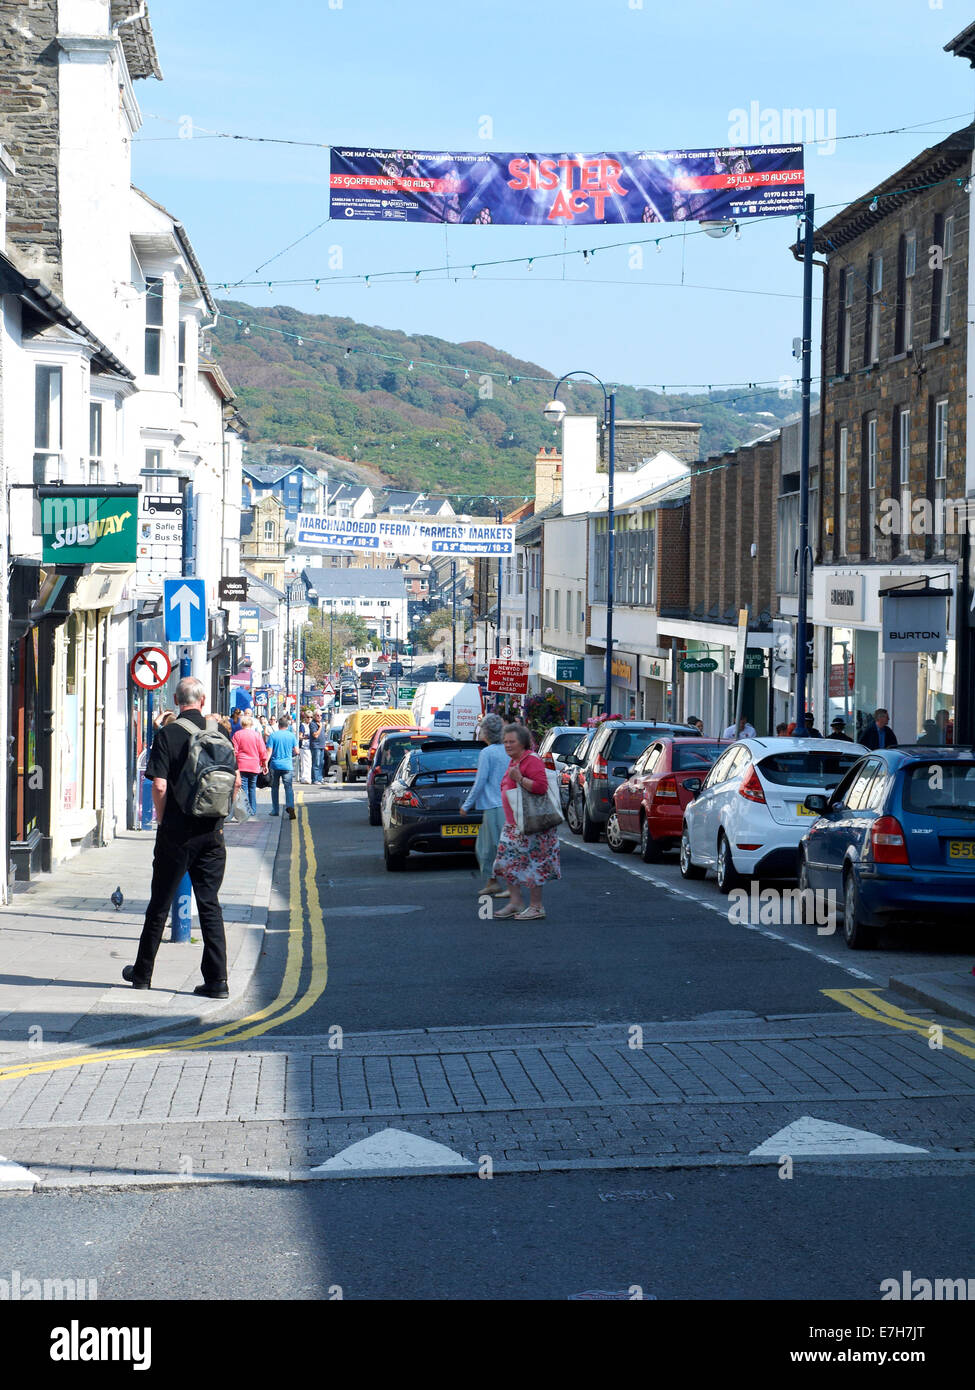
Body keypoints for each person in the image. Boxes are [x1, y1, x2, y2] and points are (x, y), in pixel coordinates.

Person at [123, 677, 240, 999]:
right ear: (203, 701)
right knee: (210, 905)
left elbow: (159, 785)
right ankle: (217, 982)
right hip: (213, 833)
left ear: (176, 699)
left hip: (176, 833)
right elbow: (236, 781)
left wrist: (163, 821)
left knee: (159, 904)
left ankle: (143, 974)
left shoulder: (168, 734)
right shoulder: (221, 734)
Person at [492, 723, 561, 921]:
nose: (507, 745)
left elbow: (540, 787)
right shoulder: (514, 760)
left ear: (522, 742)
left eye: (511, 741)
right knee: (507, 864)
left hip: (532, 826)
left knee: (533, 865)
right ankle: (516, 902)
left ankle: (536, 907)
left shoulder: (531, 760)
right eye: (505, 741)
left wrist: (520, 779)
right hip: (514, 824)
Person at [460, 713, 509, 897]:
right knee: (489, 846)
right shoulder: (506, 749)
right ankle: (493, 882)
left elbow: (480, 781)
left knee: (492, 847)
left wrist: (466, 805)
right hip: (504, 804)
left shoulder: (487, 753)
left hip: (494, 805)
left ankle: (509, 885)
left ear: (486, 732)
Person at [232, 712, 269, 816]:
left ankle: (245, 810)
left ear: (241, 724)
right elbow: (262, 751)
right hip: (254, 765)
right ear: (251, 724)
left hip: (241, 765)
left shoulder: (237, 735)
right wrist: (264, 763)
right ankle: (253, 810)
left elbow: (234, 751)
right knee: (252, 788)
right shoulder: (256, 735)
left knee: (243, 789)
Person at [265, 714, 298, 819]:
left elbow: (269, 752)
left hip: (275, 765)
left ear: (278, 725)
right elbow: (297, 751)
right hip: (287, 765)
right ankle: (290, 806)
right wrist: (290, 755)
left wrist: (265, 764)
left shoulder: (273, 736)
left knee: (274, 788)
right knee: (288, 787)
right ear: (287, 726)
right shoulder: (292, 736)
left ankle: (275, 810)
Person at [309, 709, 329, 782]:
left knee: (321, 763)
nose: (319, 717)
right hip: (315, 746)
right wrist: (320, 727)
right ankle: (315, 779)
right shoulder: (313, 724)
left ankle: (320, 778)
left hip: (321, 746)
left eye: (321, 715)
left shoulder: (321, 724)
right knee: (316, 763)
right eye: (317, 715)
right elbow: (315, 735)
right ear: (314, 716)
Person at [297, 710, 313, 784]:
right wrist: (306, 737)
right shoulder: (303, 725)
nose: (309, 718)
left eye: (311, 717)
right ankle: (304, 778)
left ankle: (308, 777)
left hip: (311, 746)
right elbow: (300, 736)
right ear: (305, 718)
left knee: (309, 763)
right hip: (304, 746)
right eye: (308, 717)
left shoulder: (312, 725)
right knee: (304, 763)